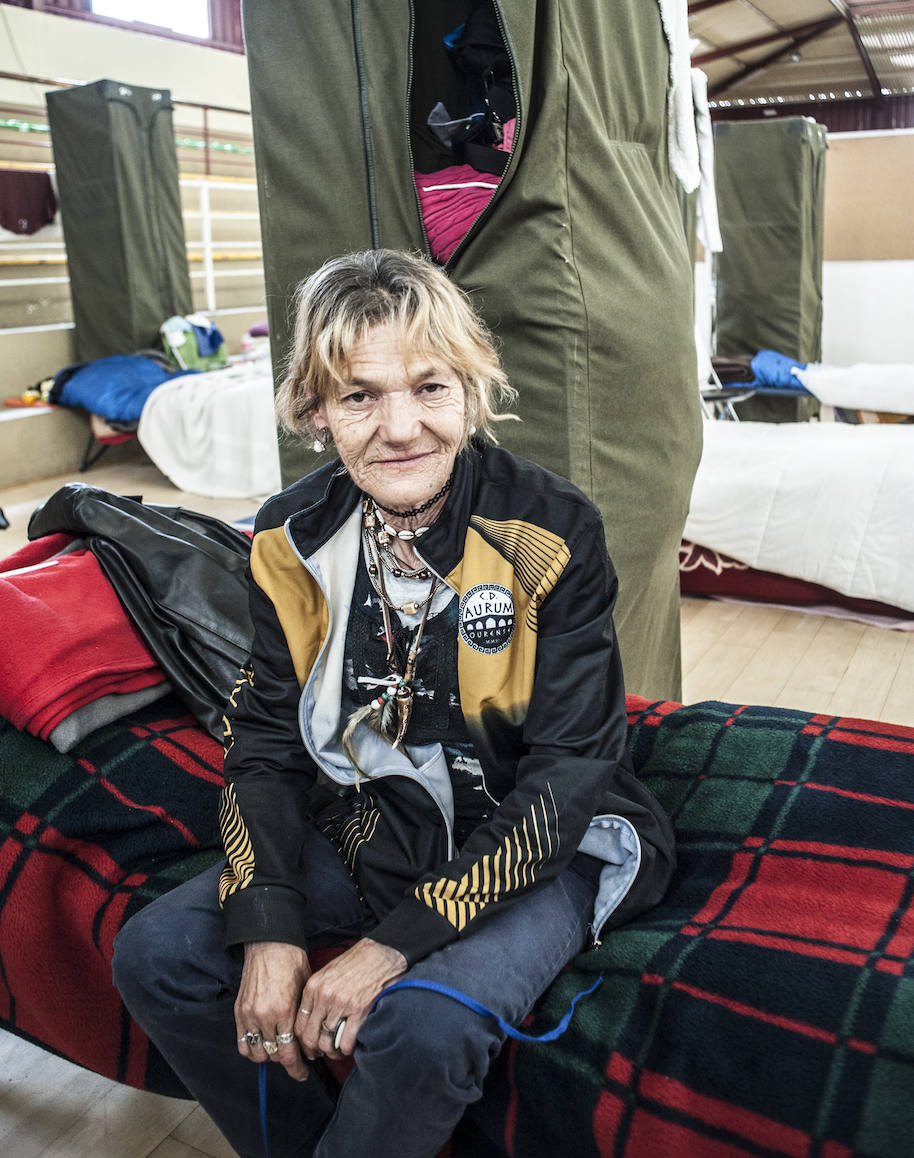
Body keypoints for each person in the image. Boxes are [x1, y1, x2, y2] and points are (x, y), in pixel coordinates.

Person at [113, 249, 675, 1158]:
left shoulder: (552, 526)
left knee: (423, 1027)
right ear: (313, 409)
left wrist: (393, 948)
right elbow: (264, 744)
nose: (400, 427)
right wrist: (267, 922)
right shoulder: (287, 539)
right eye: (358, 395)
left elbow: (572, 772)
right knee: (156, 956)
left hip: (546, 837)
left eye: (429, 387)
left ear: (472, 390)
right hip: (384, 821)